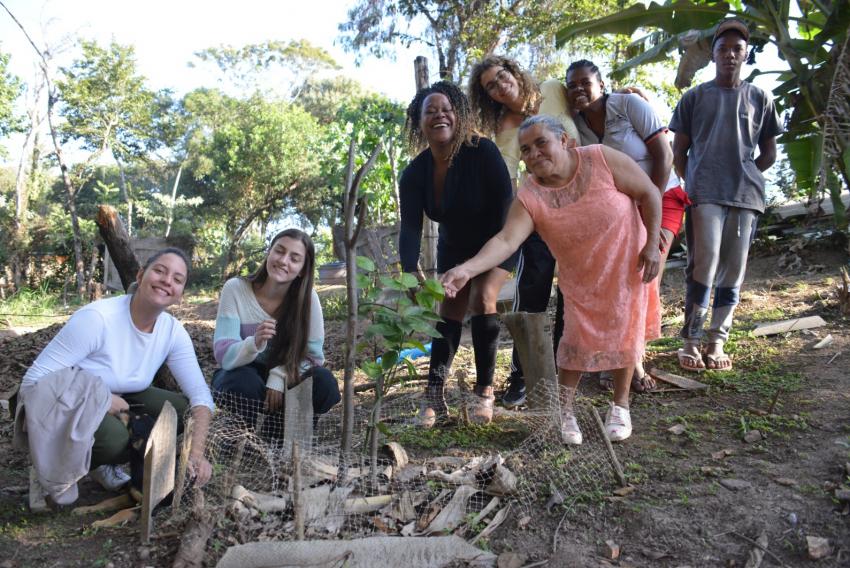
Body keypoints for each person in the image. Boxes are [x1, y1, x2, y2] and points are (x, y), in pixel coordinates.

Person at [441, 115, 662, 444]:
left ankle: (620, 406)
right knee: (574, 339)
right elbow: (506, 241)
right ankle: (564, 411)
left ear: (564, 140)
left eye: (540, 142)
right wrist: (467, 269)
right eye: (525, 149)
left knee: (625, 329)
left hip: (627, 259)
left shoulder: (600, 158)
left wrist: (652, 245)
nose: (533, 153)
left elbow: (648, 193)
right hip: (580, 273)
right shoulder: (530, 195)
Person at [17, 248, 214, 503]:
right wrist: (103, 399)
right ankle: (48, 464)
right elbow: (34, 382)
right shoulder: (98, 319)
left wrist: (196, 453)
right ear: (140, 275)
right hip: (65, 402)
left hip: (121, 395)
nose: (167, 281)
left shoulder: (173, 332)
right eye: (159, 271)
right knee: (115, 439)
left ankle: (99, 465)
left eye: (177, 279)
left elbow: (200, 396)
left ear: (180, 294)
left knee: (180, 411)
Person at [399, 80, 515, 426]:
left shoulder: (483, 152)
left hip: (498, 240)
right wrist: (410, 273)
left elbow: (506, 214)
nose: (440, 116)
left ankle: (484, 391)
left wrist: (476, 266)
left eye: (447, 109)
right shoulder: (414, 173)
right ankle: (434, 394)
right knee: (448, 307)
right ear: (419, 121)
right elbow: (410, 227)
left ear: (460, 115)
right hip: (454, 245)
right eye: (430, 111)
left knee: (482, 296)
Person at [566, 58, 686, 391]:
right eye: (572, 85)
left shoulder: (629, 105)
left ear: (601, 85)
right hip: (621, 209)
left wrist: (651, 205)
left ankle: (633, 360)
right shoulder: (576, 125)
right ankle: (621, 358)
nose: (579, 89)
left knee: (646, 276)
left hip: (662, 196)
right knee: (619, 279)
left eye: (585, 82)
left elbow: (665, 155)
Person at [467, 55, 579, 408]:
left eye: (502, 76)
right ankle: (522, 376)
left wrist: (627, 97)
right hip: (541, 213)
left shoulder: (554, 90)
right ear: (489, 96)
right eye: (491, 86)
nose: (500, 86)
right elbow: (506, 178)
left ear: (514, 73)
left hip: (583, 206)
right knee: (532, 294)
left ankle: (564, 372)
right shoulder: (505, 127)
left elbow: (590, 103)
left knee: (574, 296)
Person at [670, 19, 781, 371]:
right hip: (705, 193)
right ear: (713, 54)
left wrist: (744, 174)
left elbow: (769, 153)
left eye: (737, 49)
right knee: (704, 264)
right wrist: (696, 179)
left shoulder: (760, 97)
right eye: (723, 49)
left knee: (733, 270)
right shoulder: (694, 97)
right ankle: (691, 340)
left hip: (745, 196)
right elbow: (678, 151)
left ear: (745, 55)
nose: (730, 55)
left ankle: (717, 341)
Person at [212, 229, 340, 437]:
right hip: (241, 372)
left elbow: (313, 357)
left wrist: (279, 376)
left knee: (323, 382)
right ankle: (240, 440)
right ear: (269, 253)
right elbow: (223, 354)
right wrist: (254, 343)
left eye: (294, 258)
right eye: (279, 251)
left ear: (302, 270)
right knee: (244, 382)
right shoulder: (235, 288)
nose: (283, 261)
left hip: (288, 374)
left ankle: (281, 438)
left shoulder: (308, 299)